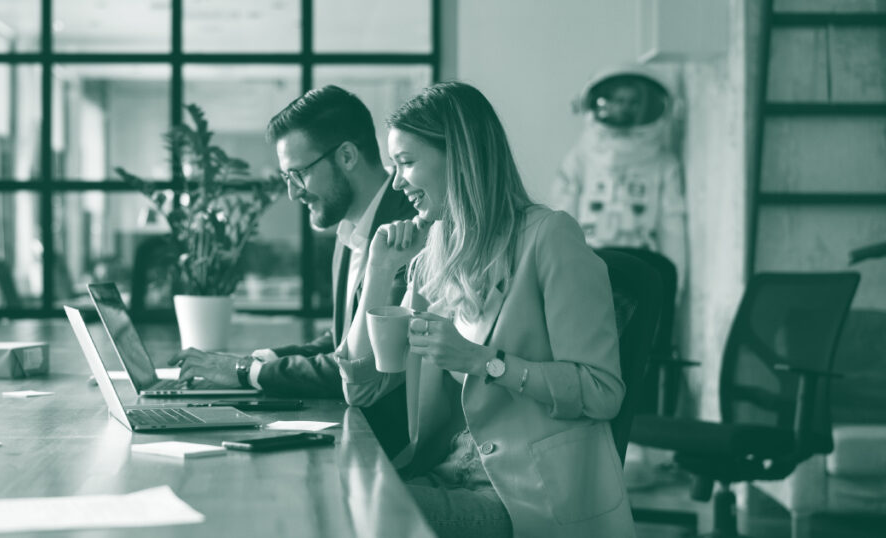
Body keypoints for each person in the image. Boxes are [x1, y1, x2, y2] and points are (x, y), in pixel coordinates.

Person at [337, 82, 636, 537]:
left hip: (524, 497)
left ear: (460, 157)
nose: (396, 183)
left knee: (359, 506)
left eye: (407, 163)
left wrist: (486, 363)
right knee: (337, 490)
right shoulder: (433, 256)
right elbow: (363, 387)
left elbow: (602, 391)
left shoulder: (550, 238)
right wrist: (380, 270)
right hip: (444, 473)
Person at [170, 86, 415, 456]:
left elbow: (357, 362)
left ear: (347, 155)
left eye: (297, 175)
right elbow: (343, 338)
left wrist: (244, 372)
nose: (292, 193)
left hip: (392, 449)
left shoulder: (404, 233)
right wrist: (262, 358)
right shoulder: (350, 231)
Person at [551, 66, 688, 297]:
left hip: (643, 266)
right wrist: (559, 277)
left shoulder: (663, 164)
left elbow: (672, 229)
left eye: (633, 101)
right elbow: (562, 222)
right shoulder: (581, 158)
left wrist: (674, 287)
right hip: (589, 261)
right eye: (618, 100)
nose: (625, 107)